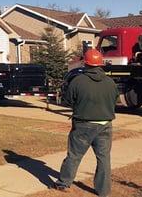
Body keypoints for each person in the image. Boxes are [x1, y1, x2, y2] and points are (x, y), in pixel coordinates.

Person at [51, 49, 119, 196]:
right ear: (100, 64)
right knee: (103, 158)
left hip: (83, 125)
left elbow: (68, 101)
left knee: (74, 155)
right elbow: (115, 100)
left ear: (85, 63)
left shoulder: (77, 81)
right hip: (105, 125)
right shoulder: (110, 82)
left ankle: (63, 183)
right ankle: (103, 191)